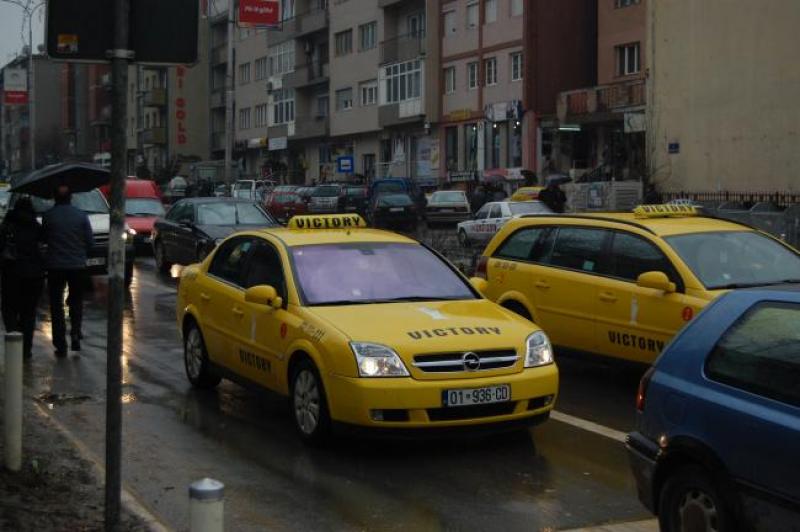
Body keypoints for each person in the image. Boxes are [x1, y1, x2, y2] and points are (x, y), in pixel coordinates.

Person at [42, 184, 93, 356]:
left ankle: (60, 343)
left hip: (55, 266)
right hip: (77, 266)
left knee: (56, 305)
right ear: (71, 197)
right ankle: (76, 333)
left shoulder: (48, 217)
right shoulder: (81, 216)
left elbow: (43, 239)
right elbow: (90, 243)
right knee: (76, 301)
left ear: (54, 198)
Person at [0, 197, 45, 358]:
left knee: (9, 309)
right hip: (34, 276)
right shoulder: (37, 227)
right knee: (29, 313)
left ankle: (14, 341)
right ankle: (26, 349)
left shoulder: (7, 226)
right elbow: (44, 248)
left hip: (11, 275)